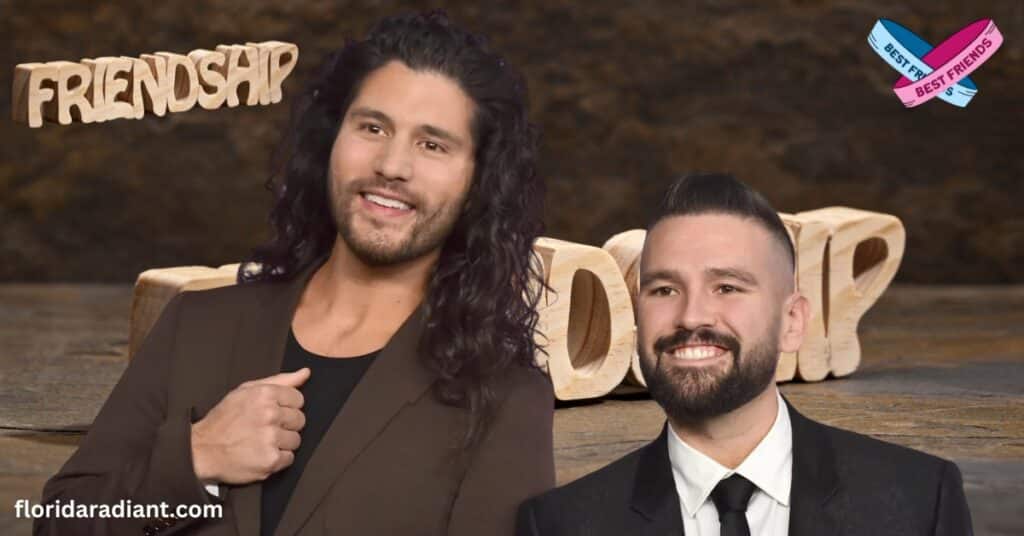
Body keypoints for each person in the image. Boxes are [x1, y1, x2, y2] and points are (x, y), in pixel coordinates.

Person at [38, 11, 554, 536]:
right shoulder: (197, 325)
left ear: (477, 185)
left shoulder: (504, 397)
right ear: (331, 140)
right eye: (372, 127)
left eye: (433, 144)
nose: (392, 165)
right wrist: (196, 459)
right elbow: (59, 521)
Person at [516, 173, 973, 536]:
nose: (692, 315)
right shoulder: (562, 525)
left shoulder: (919, 501)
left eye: (727, 287)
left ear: (792, 322)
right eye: (664, 289)